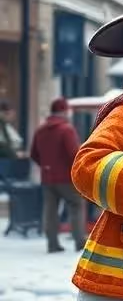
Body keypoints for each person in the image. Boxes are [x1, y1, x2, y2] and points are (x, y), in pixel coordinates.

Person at [30, 98, 87, 252]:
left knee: (50, 210)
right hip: (67, 178)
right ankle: (79, 241)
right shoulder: (66, 129)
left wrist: (46, 166)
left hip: (47, 177)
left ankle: (52, 243)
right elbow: (74, 154)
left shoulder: (40, 130)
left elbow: (34, 153)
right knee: (76, 206)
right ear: (64, 111)